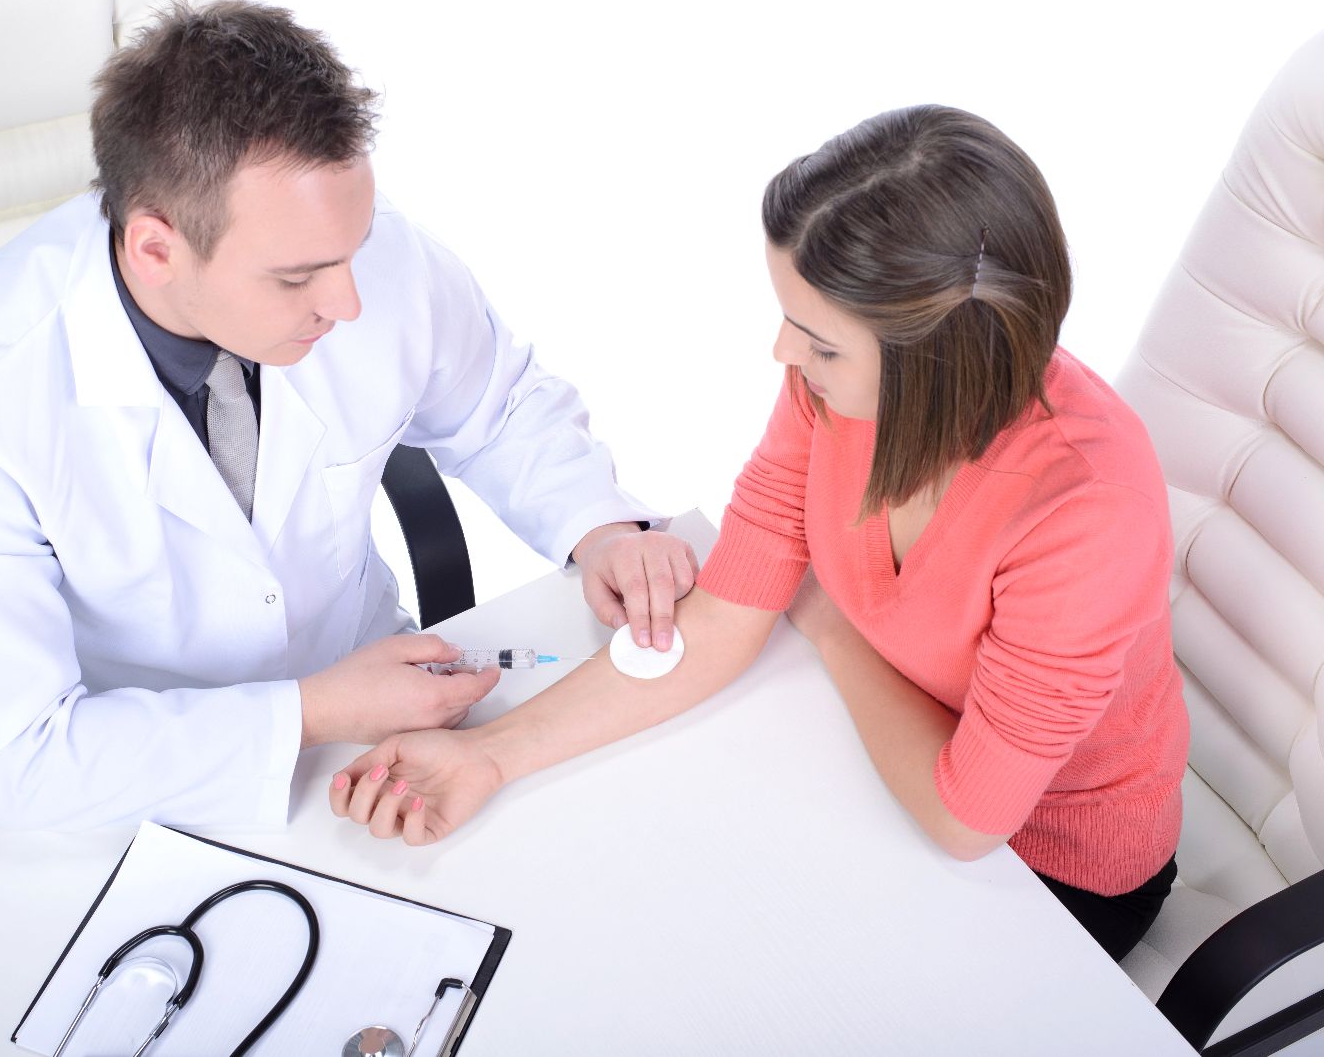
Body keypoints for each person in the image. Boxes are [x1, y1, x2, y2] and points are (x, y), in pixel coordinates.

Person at [331, 105, 1191, 961]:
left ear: (938, 358)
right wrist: (491, 756)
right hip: (884, 758)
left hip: (1047, 870)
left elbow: (966, 820)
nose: (784, 352)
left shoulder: (1086, 513)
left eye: (818, 341)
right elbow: (724, 619)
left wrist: (825, 621)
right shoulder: (843, 390)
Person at [0, 1, 695, 833]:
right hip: (124, 796)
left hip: (386, 724)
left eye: (353, 251)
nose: (347, 301)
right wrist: (312, 711)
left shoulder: (354, 252)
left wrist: (602, 529)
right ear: (156, 250)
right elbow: (25, 762)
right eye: (297, 280)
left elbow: (501, 407)